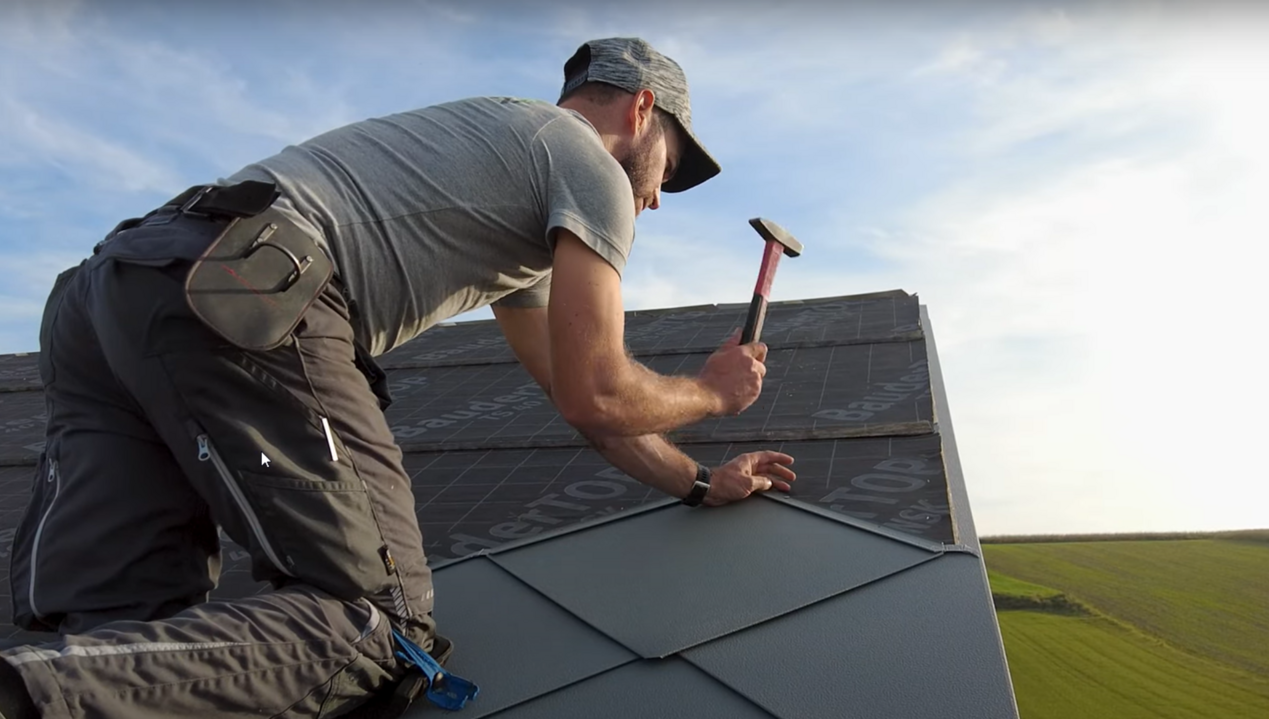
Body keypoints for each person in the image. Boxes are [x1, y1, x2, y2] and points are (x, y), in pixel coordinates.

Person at [0, 37, 797, 718]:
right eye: (669, 167)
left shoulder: (505, 153)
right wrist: (713, 391)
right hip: (250, 288)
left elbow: (577, 402)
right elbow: (601, 388)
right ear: (641, 109)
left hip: (116, 286)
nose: (656, 198)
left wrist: (699, 483)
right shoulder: (590, 163)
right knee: (379, 624)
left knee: (121, 624)